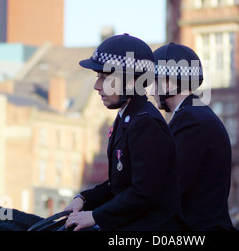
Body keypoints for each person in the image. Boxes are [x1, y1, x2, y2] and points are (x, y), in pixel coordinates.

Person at [63, 33, 187, 231]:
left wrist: (95, 216)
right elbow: (119, 184)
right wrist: (84, 199)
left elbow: (144, 193)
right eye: (98, 77)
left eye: (105, 78)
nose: (97, 86)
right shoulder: (127, 117)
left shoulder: (146, 124)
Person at [153, 43, 236, 231]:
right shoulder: (196, 113)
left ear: (168, 83)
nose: (151, 90)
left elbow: (172, 187)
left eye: (154, 81)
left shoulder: (191, 120)